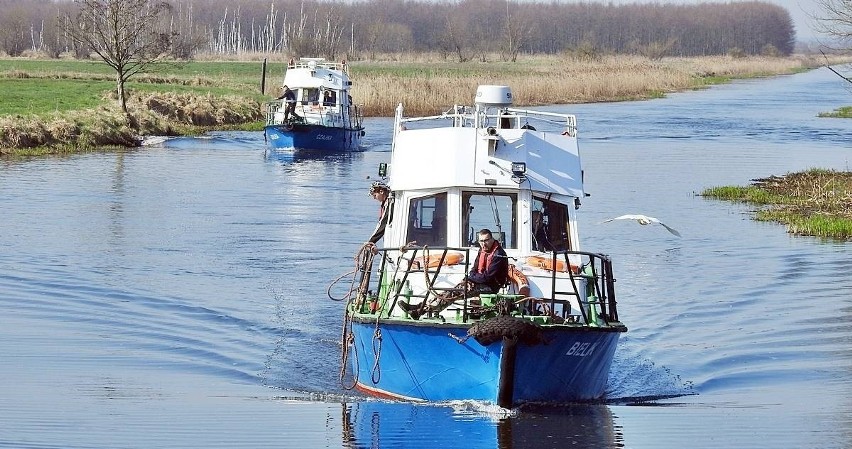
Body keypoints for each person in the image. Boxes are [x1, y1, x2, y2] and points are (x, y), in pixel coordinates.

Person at [399, 229, 508, 320]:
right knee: (450, 291)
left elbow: (487, 277)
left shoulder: (498, 254)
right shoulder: (482, 251)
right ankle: (419, 308)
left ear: (492, 239)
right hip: (479, 282)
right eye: (481, 241)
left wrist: (470, 278)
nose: (483, 244)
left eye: (486, 240)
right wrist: (470, 279)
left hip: (490, 286)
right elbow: (474, 270)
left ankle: (420, 310)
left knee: (455, 292)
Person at [367, 181, 390, 246]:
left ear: (381, 192)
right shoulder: (385, 203)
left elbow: (383, 223)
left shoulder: (389, 203)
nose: (374, 198)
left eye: (375, 195)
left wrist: (371, 242)